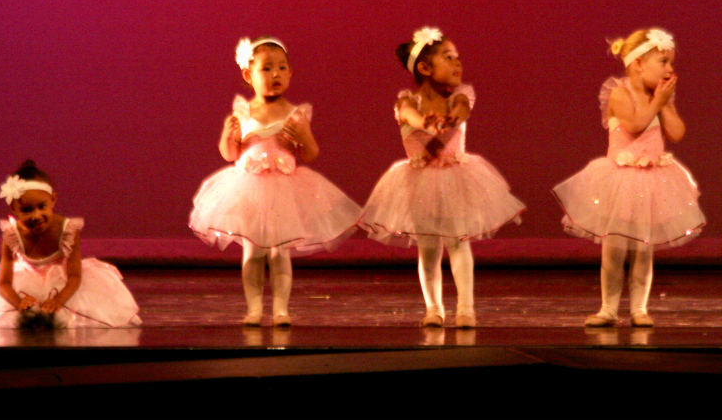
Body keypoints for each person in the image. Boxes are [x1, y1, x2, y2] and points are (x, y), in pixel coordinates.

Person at [361, 27, 525, 328]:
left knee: (458, 243)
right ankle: (433, 309)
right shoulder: (407, 102)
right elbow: (411, 116)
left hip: (455, 179)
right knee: (428, 248)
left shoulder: (459, 98)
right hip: (418, 183)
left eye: (458, 57)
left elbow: (462, 110)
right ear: (425, 68)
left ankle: (465, 309)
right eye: (449, 58)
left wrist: (451, 120)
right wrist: (427, 123)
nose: (458, 63)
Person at [190, 37, 360, 326]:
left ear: (291, 73)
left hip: (284, 189)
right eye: (267, 69)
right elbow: (230, 153)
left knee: (280, 252)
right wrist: (227, 134)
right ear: (249, 75)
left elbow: (310, 153)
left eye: (282, 68)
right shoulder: (243, 113)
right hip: (250, 190)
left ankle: (281, 309)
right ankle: (254, 308)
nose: (276, 74)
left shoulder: (296, 113)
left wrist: (303, 136)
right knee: (254, 251)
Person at [553, 28, 705, 327]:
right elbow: (635, 125)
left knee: (643, 249)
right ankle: (608, 307)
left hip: (651, 182)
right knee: (614, 249)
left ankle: (639, 308)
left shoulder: (659, 98)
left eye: (671, 63)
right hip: (620, 180)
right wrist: (657, 102)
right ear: (638, 64)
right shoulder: (619, 93)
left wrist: (666, 103)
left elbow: (676, 132)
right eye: (663, 61)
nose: (670, 69)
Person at [0, 161, 141, 328]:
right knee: (22, 318)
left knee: (65, 317)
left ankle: (56, 315)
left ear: (53, 200)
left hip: (62, 282)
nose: (36, 216)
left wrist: (59, 300)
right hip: (27, 279)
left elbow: (74, 277)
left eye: (42, 206)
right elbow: (4, 283)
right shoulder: (12, 236)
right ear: (13, 209)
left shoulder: (67, 230)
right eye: (26, 210)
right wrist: (18, 302)